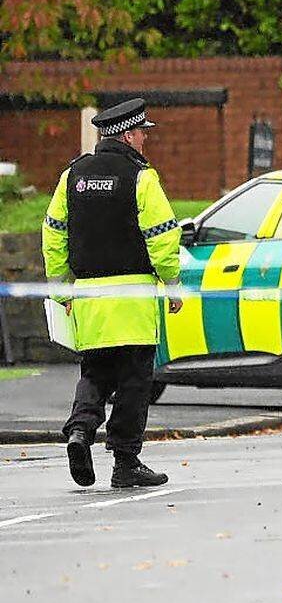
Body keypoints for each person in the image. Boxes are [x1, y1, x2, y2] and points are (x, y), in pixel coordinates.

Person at [42, 98, 183, 488]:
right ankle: (126, 461)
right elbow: (163, 236)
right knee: (135, 380)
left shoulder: (72, 175)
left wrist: (59, 286)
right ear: (127, 134)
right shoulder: (141, 177)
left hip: (88, 299)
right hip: (133, 297)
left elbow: (53, 231)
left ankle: (80, 431)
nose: (145, 140)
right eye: (142, 133)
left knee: (96, 371)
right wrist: (171, 283)